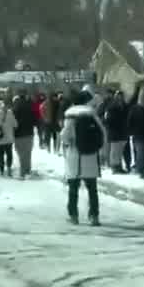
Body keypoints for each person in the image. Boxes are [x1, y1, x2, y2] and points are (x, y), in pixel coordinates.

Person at [60, 90, 107, 226]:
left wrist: (68, 143)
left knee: (73, 188)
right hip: (91, 156)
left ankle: (73, 215)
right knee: (92, 189)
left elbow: (65, 136)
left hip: (75, 156)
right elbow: (103, 133)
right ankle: (94, 216)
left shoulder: (70, 116)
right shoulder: (92, 114)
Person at [127, 85, 144, 178]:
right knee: (141, 154)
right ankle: (141, 170)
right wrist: (131, 131)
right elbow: (130, 121)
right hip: (139, 135)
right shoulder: (135, 109)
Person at [101, 90, 129, 174]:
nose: (120, 98)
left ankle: (119, 166)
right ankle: (114, 167)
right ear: (115, 97)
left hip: (123, 132)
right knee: (115, 151)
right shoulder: (111, 107)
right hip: (114, 132)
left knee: (119, 151)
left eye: (121, 96)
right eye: (118, 96)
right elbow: (107, 119)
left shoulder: (125, 106)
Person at [11, 93, 37, 178]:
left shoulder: (15, 109)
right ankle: (28, 170)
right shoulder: (30, 107)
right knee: (28, 153)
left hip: (19, 134)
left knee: (21, 153)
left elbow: (13, 122)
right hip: (29, 133)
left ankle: (22, 172)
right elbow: (35, 120)